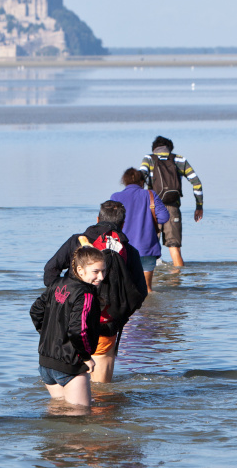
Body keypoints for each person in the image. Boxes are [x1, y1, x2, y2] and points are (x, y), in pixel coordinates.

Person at [42, 200, 148, 383]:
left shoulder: (77, 241)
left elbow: (50, 272)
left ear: (97, 219)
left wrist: (64, 299)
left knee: (64, 389)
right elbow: (140, 293)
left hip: (68, 322)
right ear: (123, 224)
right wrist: (119, 317)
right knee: (101, 392)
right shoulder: (129, 251)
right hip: (105, 325)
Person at [30, 246, 105, 407]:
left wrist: (48, 335)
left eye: (103, 271)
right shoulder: (85, 294)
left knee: (58, 413)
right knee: (79, 420)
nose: (101, 277)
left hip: (46, 363)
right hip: (70, 365)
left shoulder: (57, 284)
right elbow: (79, 330)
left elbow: (36, 311)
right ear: (80, 269)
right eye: (96, 272)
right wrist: (86, 357)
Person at [139, 136, 204, 267]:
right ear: (170, 148)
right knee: (174, 249)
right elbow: (196, 183)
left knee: (149, 250)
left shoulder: (149, 158)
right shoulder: (179, 159)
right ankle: (177, 283)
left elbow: (140, 179)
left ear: (154, 148)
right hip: (172, 208)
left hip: (152, 209)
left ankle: (150, 285)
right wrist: (199, 206)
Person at [111, 168, 170, 290]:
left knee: (125, 289)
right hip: (147, 247)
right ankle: (148, 309)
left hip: (122, 247)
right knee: (147, 289)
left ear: (124, 181)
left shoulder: (115, 196)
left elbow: (110, 221)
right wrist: (148, 222)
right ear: (142, 181)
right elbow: (164, 217)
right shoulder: (150, 194)